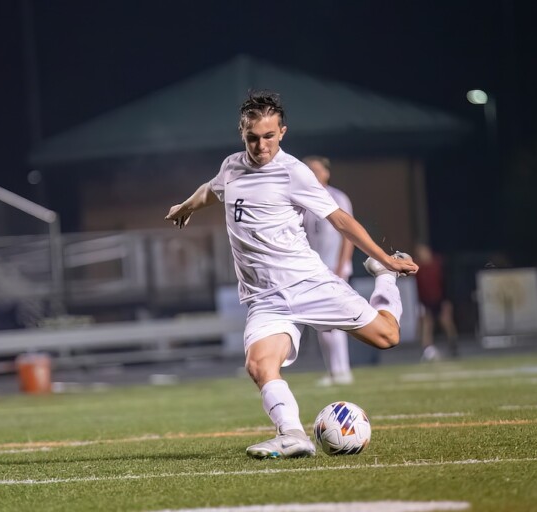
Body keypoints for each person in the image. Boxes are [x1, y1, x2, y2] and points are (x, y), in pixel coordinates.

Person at [165, 91, 418, 459]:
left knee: (387, 336)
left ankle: (383, 277)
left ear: (282, 132)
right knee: (258, 365)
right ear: (242, 134)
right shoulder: (232, 167)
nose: (261, 145)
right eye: (253, 138)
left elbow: (341, 221)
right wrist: (185, 206)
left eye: (269, 136)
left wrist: (386, 260)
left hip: (309, 283)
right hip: (266, 300)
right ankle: (293, 435)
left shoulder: (294, 172)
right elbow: (212, 190)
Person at [302, 155, 355, 386]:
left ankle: (343, 370)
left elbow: (348, 234)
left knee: (336, 321)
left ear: (326, 172)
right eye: (307, 170)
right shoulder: (302, 199)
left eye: (315, 169)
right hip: (314, 270)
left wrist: (341, 266)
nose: (311, 174)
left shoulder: (338, 197)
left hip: (334, 268)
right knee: (322, 325)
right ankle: (334, 371)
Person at [413, 243, 458, 361]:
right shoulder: (418, 268)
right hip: (426, 301)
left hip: (440, 299)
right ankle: (427, 350)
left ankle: (453, 345)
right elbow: (418, 288)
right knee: (427, 324)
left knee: (446, 321)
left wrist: (447, 300)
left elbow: (446, 282)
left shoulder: (438, 264)